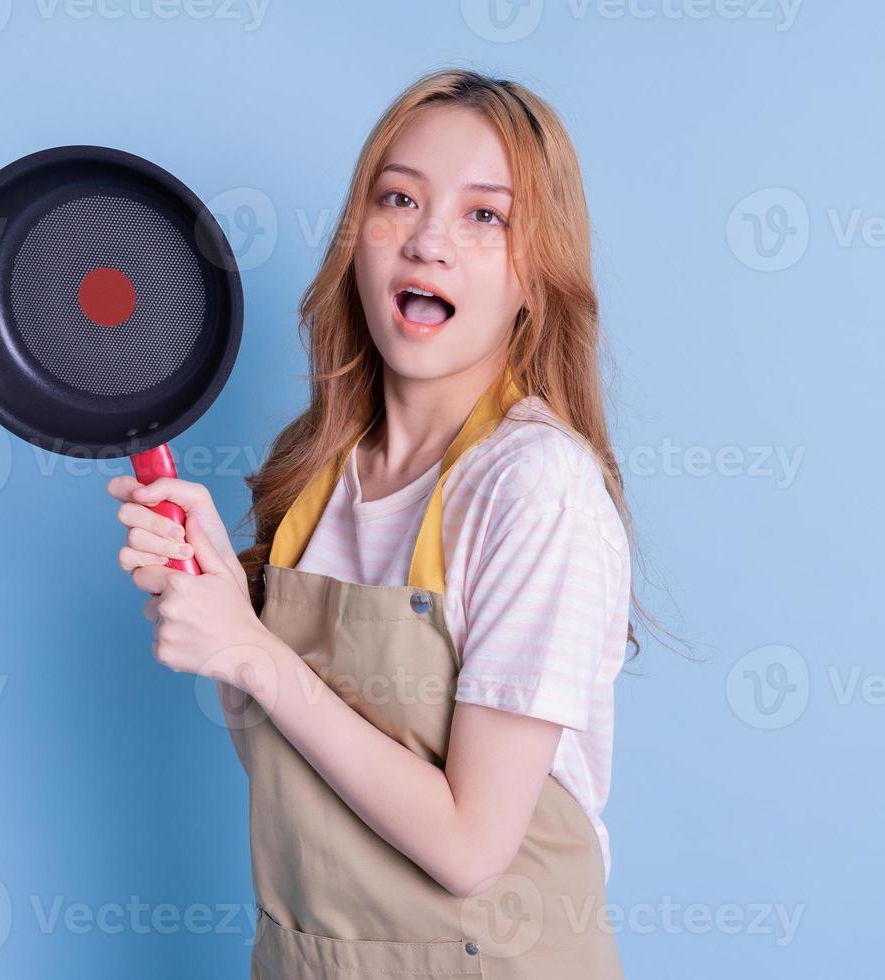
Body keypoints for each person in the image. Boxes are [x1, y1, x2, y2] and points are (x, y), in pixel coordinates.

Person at [108, 67, 648, 978]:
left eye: (486, 216)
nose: (428, 240)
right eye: (398, 198)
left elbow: (471, 846)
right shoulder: (316, 473)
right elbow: (292, 785)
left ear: (535, 277)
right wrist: (218, 620)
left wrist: (253, 655)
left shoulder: (532, 487)